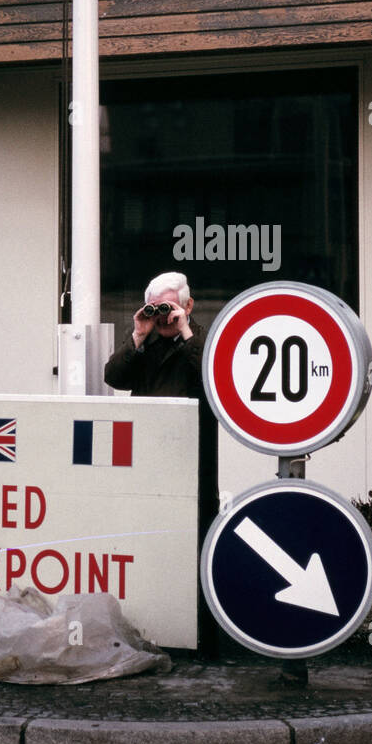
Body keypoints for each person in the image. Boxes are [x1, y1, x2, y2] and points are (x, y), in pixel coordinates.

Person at [104, 272, 220, 656]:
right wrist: (138, 334)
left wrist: (185, 332)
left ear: (188, 306)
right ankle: (153, 627)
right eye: (158, 310)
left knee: (194, 541)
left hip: (192, 462)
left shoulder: (203, 341)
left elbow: (212, 378)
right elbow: (114, 376)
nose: (164, 318)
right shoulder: (147, 344)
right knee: (149, 540)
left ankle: (199, 635)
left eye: (171, 308)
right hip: (149, 462)